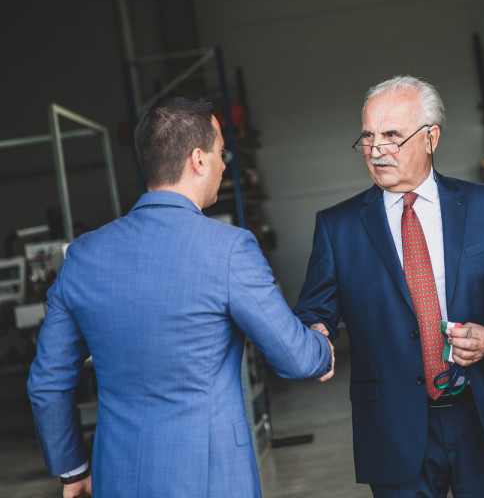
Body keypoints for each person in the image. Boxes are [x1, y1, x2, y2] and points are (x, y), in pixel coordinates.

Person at [27, 95, 335, 498]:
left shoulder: (83, 256)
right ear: (198, 159)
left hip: (118, 474)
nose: (224, 164)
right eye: (221, 152)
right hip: (212, 477)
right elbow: (295, 358)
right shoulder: (229, 249)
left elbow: (48, 381)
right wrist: (321, 346)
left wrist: (72, 470)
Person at [293, 75, 484, 497]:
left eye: (392, 135)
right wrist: (315, 331)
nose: (377, 149)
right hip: (393, 430)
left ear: (431, 138)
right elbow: (314, 310)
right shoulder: (338, 227)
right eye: (368, 136)